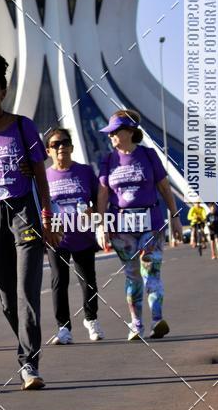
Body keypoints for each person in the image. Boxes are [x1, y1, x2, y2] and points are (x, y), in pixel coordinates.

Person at [0, 51, 62, 390]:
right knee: (7, 295)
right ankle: (27, 344)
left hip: (23, 210)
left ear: (3, 90)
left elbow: (40, 173)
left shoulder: (23, 126)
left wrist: (47, 216)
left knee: (27, 290)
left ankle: (29, 364)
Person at [95, 109, 183, 341]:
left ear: (129, 131)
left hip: (150, 223)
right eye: (110, 132)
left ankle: (157, 320)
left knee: (151, 271)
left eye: (115, 131)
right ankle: (136, 324)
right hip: (122, 227)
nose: (111, 136)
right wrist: (101, 225)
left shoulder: (148, 155)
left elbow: (165, 188)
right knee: (132, 275)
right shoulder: (108, 160)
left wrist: (175, 216)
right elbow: (103, 195)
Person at [45, 127, 104, 344]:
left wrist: (94, 214)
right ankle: (63, 328)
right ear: (48, 150)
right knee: (59, 280)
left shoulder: (85, 172)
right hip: (57, 237)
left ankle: (91, 319)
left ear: (72, 146)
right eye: (55, 144)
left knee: (88, 280)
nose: (61, 147)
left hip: (83, 236)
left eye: (65, 143)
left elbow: (99, 200)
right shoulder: (44, 176)